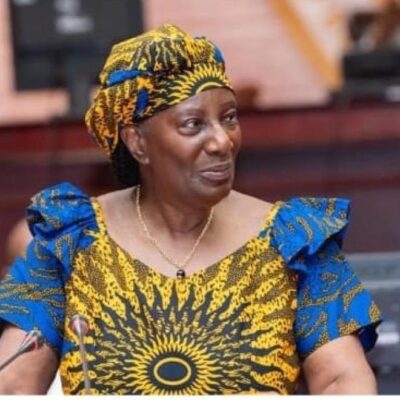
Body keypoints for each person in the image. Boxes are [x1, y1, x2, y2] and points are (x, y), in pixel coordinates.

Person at [0, 24, 382, 395]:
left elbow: (342, 380)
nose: (222, 141)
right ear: (137, 143)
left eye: (229, 118)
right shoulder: (69, 241)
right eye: (193, 124)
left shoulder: (294, 241)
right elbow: (14, 385)